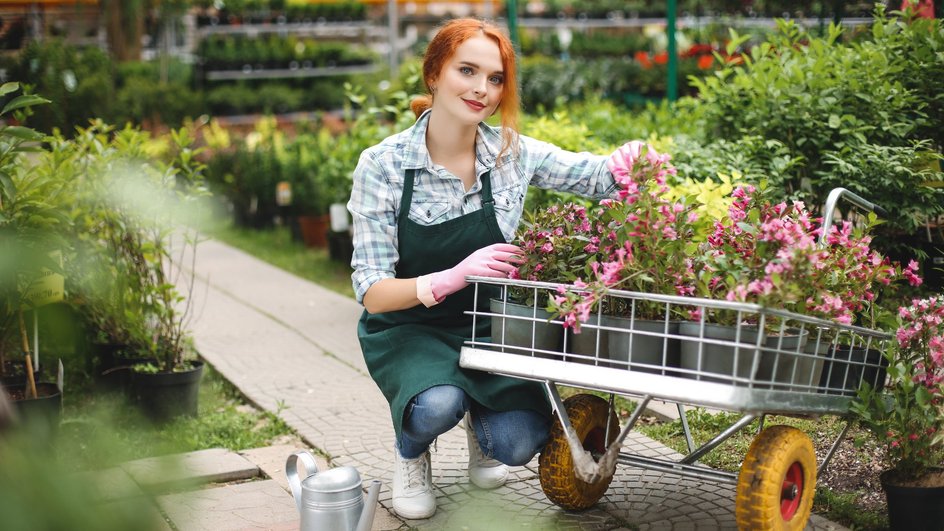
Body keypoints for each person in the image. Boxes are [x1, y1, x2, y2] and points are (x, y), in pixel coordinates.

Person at [348, 17, 635, 519]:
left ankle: (482, 429)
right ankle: (411, 453)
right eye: (467, 71)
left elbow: (596, 177)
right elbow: (372, 291)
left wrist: (630, 160)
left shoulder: (510, 153)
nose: (482, 89)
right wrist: (452, 276)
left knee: (520, 442)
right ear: (434, 73)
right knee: (434, 405)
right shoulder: (384, 165)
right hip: (408, 326)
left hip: (489, 328)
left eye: (496, 78)